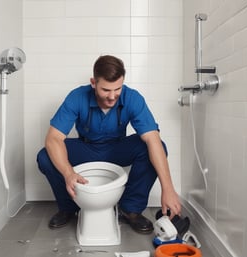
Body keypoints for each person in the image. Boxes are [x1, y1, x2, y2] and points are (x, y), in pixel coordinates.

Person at [37, 55, 181, 234]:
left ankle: (130, 209)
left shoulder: (133, 98)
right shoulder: (77, 97)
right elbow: (53, 138)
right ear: (93, 82)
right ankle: (68, 208)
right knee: (45, 156)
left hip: (117, 149)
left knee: (156, 145)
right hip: (86, 149)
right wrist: (68, 173)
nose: (112, 97)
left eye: (117, 89)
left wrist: (168, 189)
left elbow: (153, 139)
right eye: (105, 89)